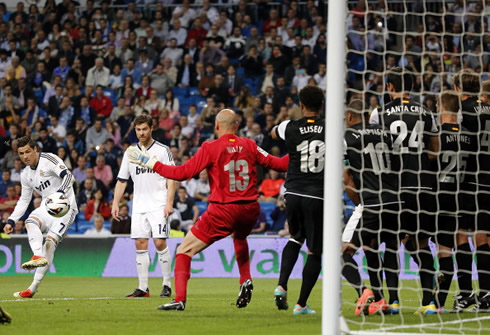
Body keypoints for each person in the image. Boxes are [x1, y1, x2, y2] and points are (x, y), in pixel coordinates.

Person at [128, 109, 289, 311]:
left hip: (224, 210)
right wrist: (302, 148)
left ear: (216, 126)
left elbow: (181, 173)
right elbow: (281, 164)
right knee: (239, 237)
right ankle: (245, 278)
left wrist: (150, 162)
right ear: (236, 127)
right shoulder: (250, 145)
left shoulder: (210, 147)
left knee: (184, 250)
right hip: (250, 210)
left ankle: (179, 299)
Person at [370, 67, 439, 314]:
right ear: (411, 85)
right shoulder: (426, 112)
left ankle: (394, 301)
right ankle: (429, 302)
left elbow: (375, 151)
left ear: (389, 86)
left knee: (391, 242)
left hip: (394, 189)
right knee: (421, 243)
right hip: (422, 186)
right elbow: (434, 151)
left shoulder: (379, 113)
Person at [342, 99, 401, 315]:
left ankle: (364, 292)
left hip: (372, 203)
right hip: (395, 201)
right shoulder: (387, 133)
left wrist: (358, 201)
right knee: (382, 247)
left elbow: (346, 176)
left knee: (343, 252)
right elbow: (397, 165)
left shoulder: (347, 137)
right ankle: (388, 300)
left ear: (349, 117)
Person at [271, 85, 325, 315]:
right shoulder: (331, 129)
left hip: (292, 193)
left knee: (295, 238)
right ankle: (301, 304)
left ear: (301, 106)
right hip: (317, 194)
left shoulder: (289, 127)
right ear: (321, 107)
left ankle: (281, 285)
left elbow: (273, 132)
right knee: (314, 251)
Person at [2, 136, 78, 298]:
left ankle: (33, 288)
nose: (25, 156)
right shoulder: (26, 174)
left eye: (28, 152)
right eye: (21, 153)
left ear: (35, 149)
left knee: (50, 243)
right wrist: (12, 220)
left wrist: (59, 194)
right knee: (30, 222)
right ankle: (37, 255)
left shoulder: (49, 159)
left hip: (66, 207)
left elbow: (68, 177)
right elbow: (24, 200)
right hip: (47, 206)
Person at [112, 114, 177, 299]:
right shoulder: (130, 152)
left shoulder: (163, 150)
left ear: (151, 128)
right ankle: (143, 288)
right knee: (140, 244)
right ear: (135, 130)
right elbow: (122, 180)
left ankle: (166, 284)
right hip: (139, 205)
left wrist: (169, 202)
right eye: (138, 130)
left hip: (159, 204)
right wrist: (116, 202)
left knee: (159, 242)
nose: (142, 133)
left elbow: (171, 178)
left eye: (145, 129)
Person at [432, 91, 476, 311]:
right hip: (464, 194)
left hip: (442, 196)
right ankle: (467, 293)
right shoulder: (469, 134)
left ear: (441, 108)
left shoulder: (437, 135)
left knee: (444, 249)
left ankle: (438, 302)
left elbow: (430, 165)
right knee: (462, 239)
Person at [452, 70, 490, 312]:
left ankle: (465, 293)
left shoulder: (462, 112)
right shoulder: (489, 108)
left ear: (458, 88)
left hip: (469, 181)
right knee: (484, 237)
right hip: (489, 180)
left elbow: (459, 148)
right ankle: (486, 294)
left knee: (460, 234)